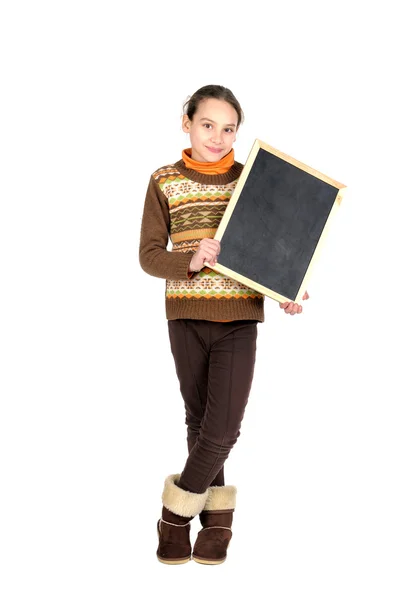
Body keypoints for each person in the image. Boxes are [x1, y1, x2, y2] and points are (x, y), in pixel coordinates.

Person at [139, 84, 309, 566]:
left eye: (228, 127)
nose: (216, 136)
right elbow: (149, 256)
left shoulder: (253, 179)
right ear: (187, 122)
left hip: (238, 317)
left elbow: (277, 249)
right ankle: (218, 519)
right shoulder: (164, 180)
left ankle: (172, 518)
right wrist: (188, 260)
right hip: (185, 316)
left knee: (222, 429)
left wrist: (288, 289)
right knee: (198, 423)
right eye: (207, 124)